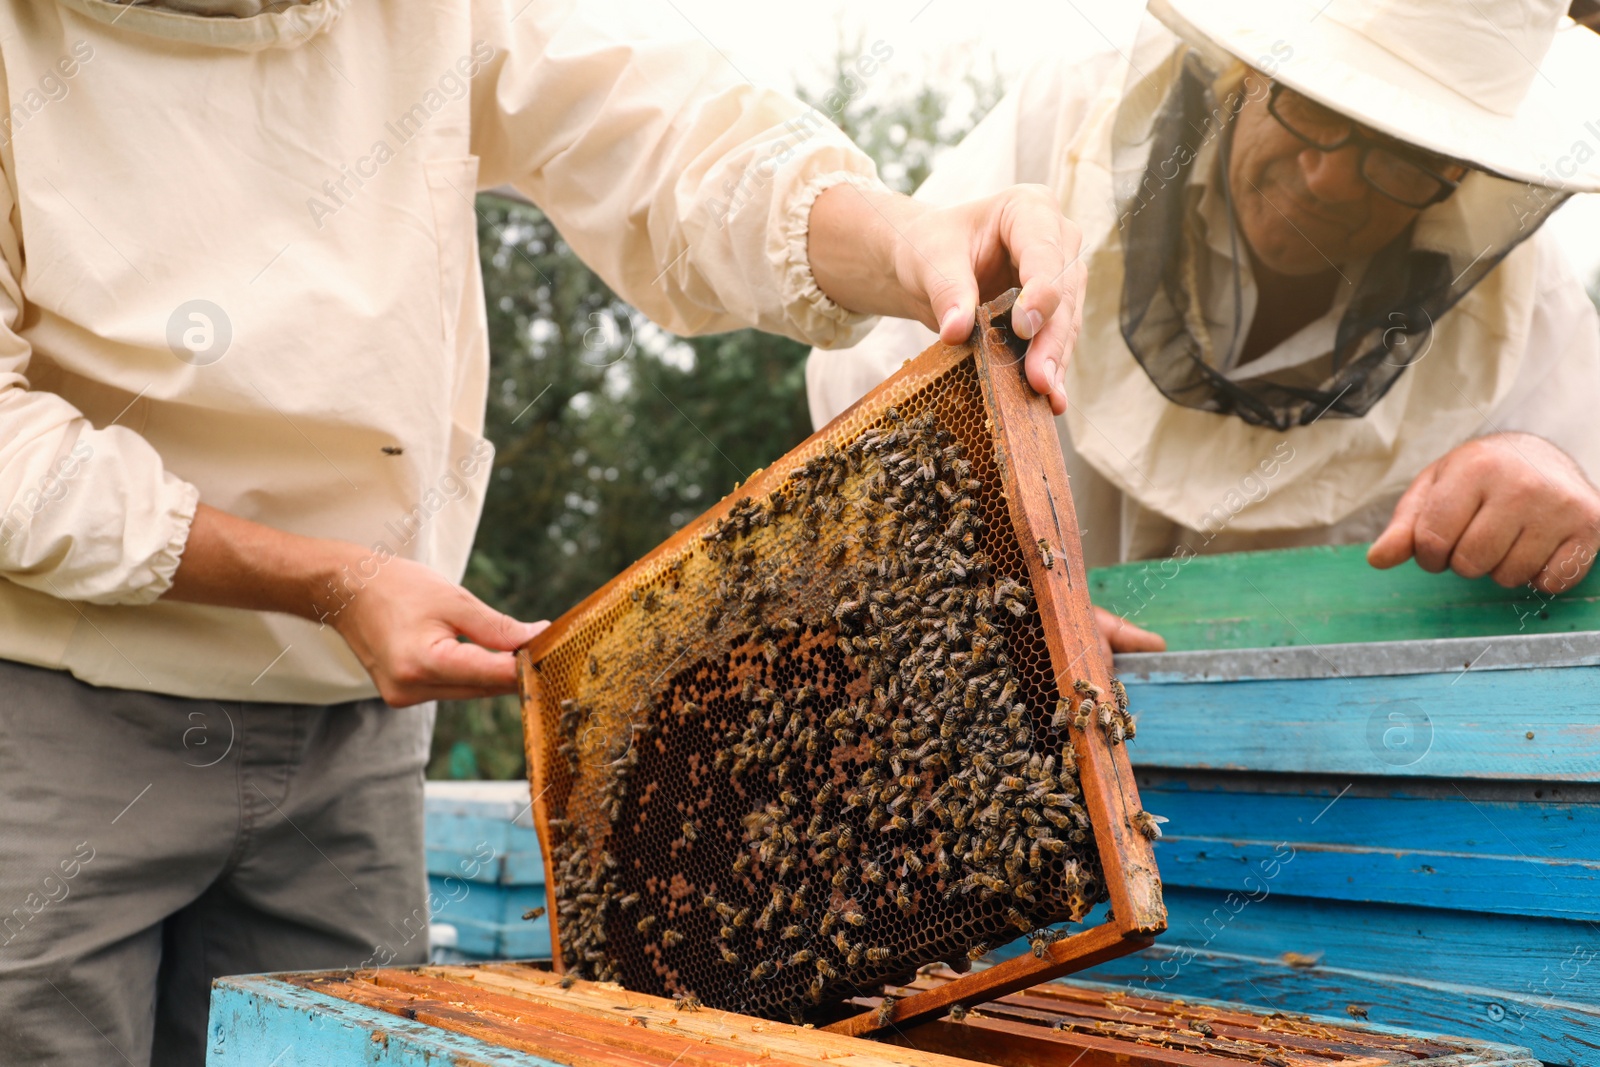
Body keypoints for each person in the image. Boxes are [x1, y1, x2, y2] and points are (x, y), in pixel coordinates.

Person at [0, 2, 1085, 1064]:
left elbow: (665, 136)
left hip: (355, 727)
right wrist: (329, 582)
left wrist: (905, 237)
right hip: (56, 714)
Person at [808, 0, 1600, 656]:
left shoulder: (1536, 313)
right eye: (1311, 106)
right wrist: (979, 576)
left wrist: (1556, 474)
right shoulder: (1066, 121)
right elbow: (874, 368)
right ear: (1246, 72)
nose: (1325, 177)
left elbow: (1574, 507)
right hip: (983, 690)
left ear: (1462, 172)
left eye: (1401, 156)